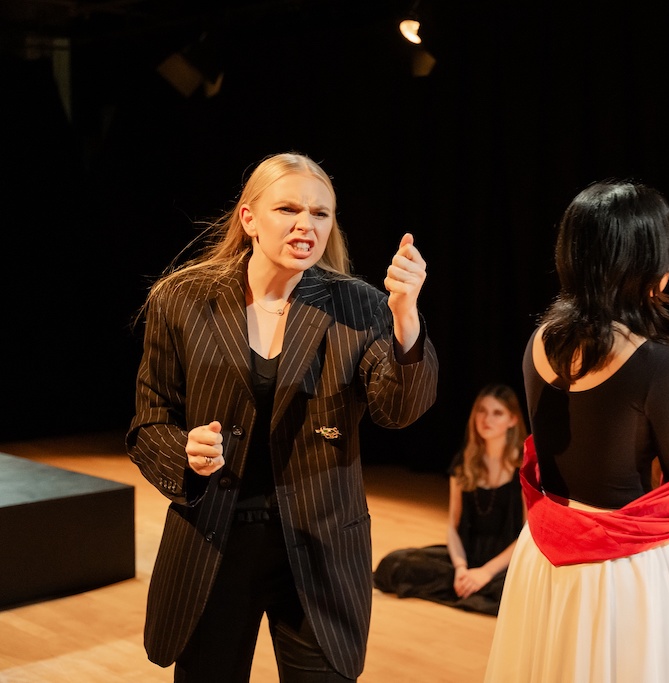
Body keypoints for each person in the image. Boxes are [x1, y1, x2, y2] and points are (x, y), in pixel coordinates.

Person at [126, 151, 439, 682]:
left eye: (321, 214)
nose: (306, 225)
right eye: (288, 209)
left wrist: (405, 314)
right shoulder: (182, 298)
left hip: (319, 547)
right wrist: (185, 453)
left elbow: (397, 409)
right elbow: (148, 422)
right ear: (248, 218)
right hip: (214, 544)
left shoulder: (359, 306)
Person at [484, 180, 669, 682]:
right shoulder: (657, 359)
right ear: (649, 266)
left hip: (545, 554)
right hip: (619, 567)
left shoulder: (539, 340)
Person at [373, 383, 526, 616]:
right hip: (469, 554)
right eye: (482, 411)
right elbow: (453, 526)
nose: (487, 419)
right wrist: (461, 567)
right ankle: (466, 584)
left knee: (517, 592)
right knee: (394, 565)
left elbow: (527, 534)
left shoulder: (524, 467)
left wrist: (485, 572)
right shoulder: (464, 462)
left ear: (512, 420)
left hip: (506, 561)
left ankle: (477, 586)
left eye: (497, 413)